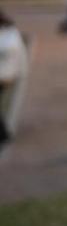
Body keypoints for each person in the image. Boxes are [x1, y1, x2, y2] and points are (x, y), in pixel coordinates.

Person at [0, 8, 31, 147]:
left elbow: (14, 54)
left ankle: (4, 135)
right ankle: (4, 134)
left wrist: (20, 75)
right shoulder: (11, 33)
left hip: (4, 75)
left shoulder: (9, 35)